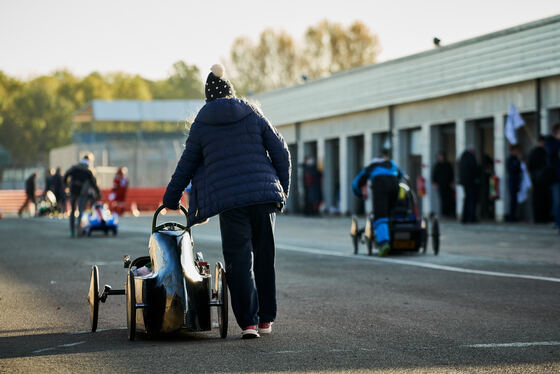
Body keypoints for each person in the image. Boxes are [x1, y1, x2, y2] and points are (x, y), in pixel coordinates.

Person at [162, 64, 291, 339]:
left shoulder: (201, 124)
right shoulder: (253, 113)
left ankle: (249, 324)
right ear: (231, 91)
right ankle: (267, 318)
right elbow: (281, 151)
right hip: (264, 198)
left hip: (232, 204)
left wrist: (171, 198)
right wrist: (283, 190)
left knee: (239, 261)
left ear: (208, 97)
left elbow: (186, 166)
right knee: (265, 259)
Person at [351, 149, 404, 256]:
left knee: (380, 215)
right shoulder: (391, 164)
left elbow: (356, 184)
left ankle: (384, 243)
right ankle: (392, 234)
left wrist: (359, 194)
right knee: (390, 211)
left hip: (380, 184)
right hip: (394, 184)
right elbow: (401, 174)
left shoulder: (371, 167)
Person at [64, 154, 100, 237]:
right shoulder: (88, 170)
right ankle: (79, 230)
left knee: (72, 211)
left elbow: (66, 174)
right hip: (82, 193)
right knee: (80, 211)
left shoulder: (75, 167)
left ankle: (72, 231)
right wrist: (98, 193)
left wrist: (66, 185)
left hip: (73, 191)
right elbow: (93, 183)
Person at [528, 135, 551, 223]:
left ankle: (539, 218)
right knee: (542, 200)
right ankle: (542, 218)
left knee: (540, 200)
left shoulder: (535, 152)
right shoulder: (543, 152)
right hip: (541, 180)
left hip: (537, 180)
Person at [545, 123, 560, 233]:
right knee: (558, 202)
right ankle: (558, 224)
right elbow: (550, 153)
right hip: (556, 178)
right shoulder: (550, 142)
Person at [458, 147, 480, 223]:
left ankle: (465, 218)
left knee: (467, 199)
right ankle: (471, 217)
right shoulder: (471, 158)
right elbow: (474, 170)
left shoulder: (463, 158)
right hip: (471, 183)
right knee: (471, 200)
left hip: (465, 183)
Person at [431, 152, 454, 218]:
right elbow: (434, 175)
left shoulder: (448, 165)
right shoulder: (437, 165)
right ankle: (443, 213)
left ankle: (449, 213)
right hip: (440, 185)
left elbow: (451, 174)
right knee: (442, 199)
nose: (440, 158)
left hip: (447, 184)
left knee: (449, 199)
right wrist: (434, 183)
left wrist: (451, 182)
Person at [506, 145, 522, 222]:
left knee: (515, 200)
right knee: (512, 199)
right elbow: (510, 170)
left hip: (516, 181)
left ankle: (514, 215)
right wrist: (517, 162)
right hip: (512, 181)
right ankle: (511, 216)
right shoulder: (510, 159)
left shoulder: (516, 159)